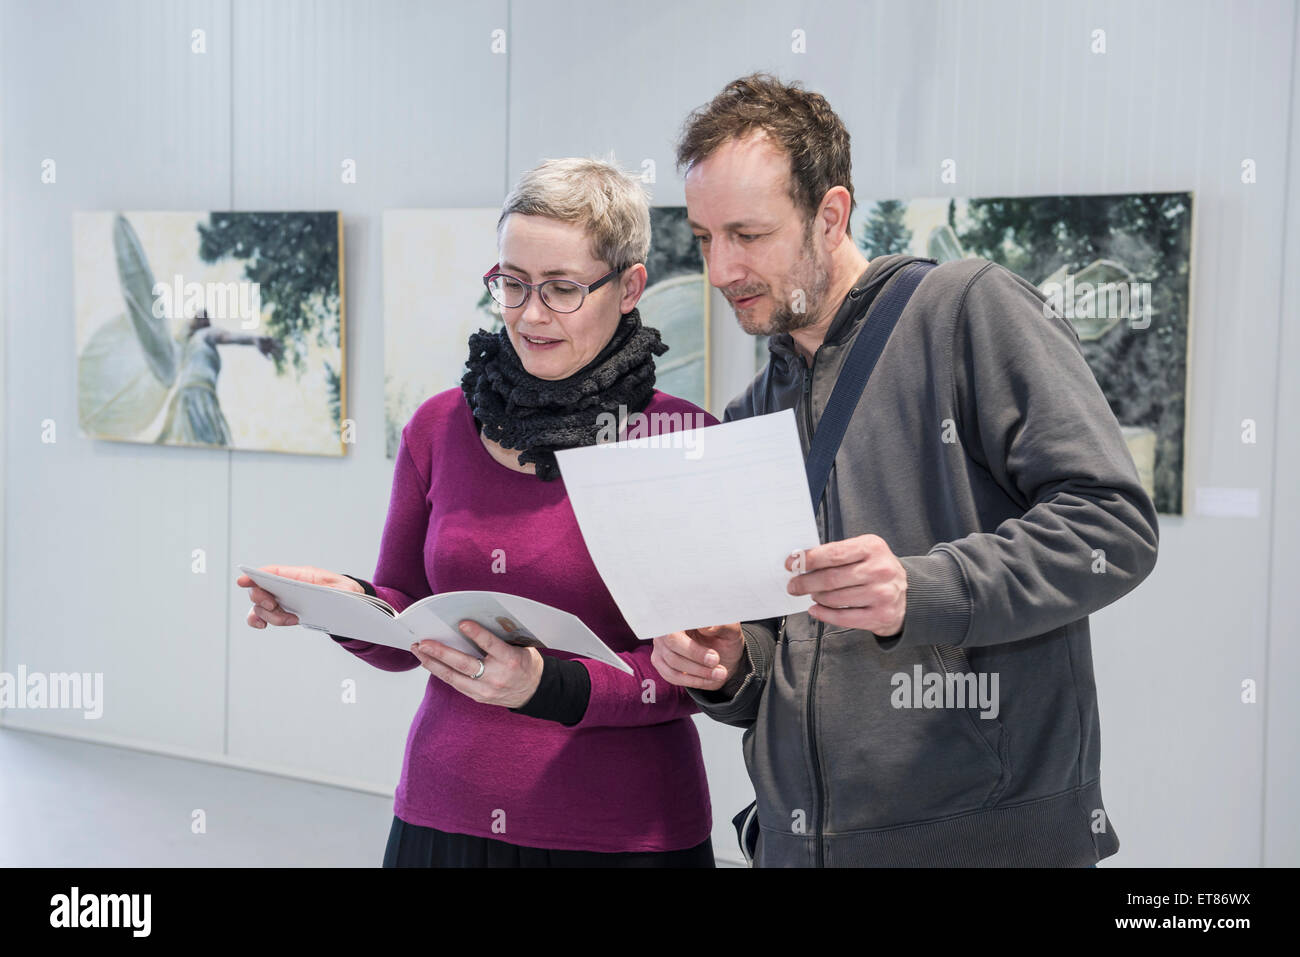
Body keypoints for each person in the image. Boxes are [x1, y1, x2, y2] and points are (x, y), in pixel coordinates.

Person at [652, 74, 1159, 867]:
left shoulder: (966, 309)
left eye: (747, 234)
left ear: (831, 215)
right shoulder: (752, 411)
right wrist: (728, 664)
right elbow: (779, 643)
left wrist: (922, 590)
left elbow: (1114, 525)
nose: (721, 269)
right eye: (705, 237)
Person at [239, 157, 717, 867]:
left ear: (630, 287)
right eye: (512, 284)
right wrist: (343, 605)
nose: (529, 314)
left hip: (623, 833)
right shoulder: (439, 426)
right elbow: (409, 615)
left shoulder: (682, 440)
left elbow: (697, 672)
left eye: (560, 289)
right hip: (445, 813)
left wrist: (545, 685)